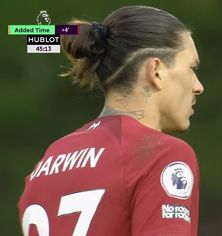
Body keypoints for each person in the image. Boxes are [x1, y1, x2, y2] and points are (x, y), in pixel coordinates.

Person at [18, 5, 204, 236]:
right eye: (191, 68)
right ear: (156, 71)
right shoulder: (162, 154)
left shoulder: (48, 161)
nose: (198, 86)